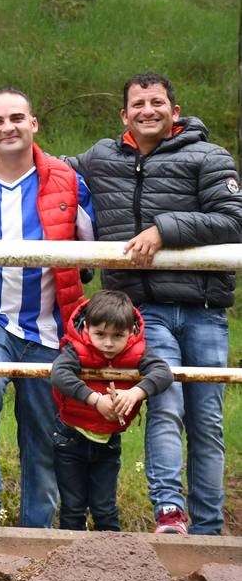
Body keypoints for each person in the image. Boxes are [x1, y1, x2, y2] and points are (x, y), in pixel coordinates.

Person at [48, 72, 242, 535]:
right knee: (166, 404)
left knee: (208, 420)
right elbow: (47, 166)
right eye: (138, 104)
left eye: (157, 102)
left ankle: (210, 528)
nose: (147, 110)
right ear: (125, 114)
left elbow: (233, 219)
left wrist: (164, 229)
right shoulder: (102, 156)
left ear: (175, 111)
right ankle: (169, 514)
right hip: (141, 310)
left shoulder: (209, 156)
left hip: (204, 309)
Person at [0, 88, 95, 528]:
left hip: (48, 326)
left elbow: (93, 245)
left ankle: (37, 527)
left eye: (16, 118)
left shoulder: (67, 179)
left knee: (43, 428)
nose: (8, 127)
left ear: (33, 124)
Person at [50, 291, 174, 531]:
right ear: (87, 328)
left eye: (118, 336)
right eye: (100, 334)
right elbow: (59, 374)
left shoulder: (136, 352)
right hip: (70, 439)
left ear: (130, 332)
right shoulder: (76, 349)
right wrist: (95, 399)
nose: (108, 343)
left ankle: (115, 564)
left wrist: (135, 392)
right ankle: (68, 563)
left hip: (108, 443)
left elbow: (163, 372)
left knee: (105, 508)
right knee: (73, 507)